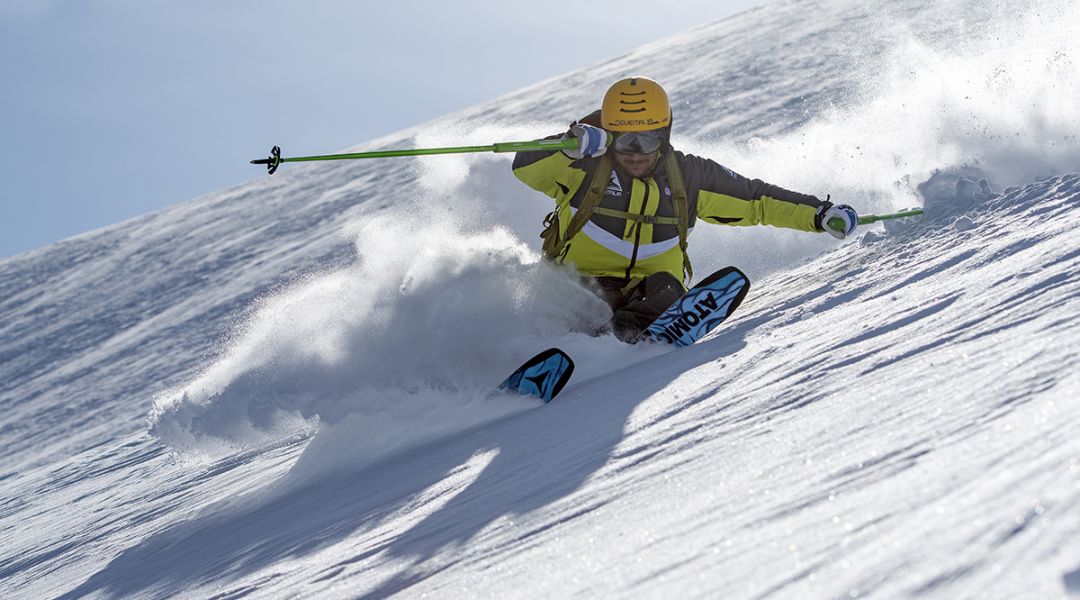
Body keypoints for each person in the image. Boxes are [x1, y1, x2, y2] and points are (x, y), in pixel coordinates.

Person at [512, 76, 858, 343]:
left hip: (650, 297)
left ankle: (627, 340)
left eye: (647, 140)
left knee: (665, 286)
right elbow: (525, 167)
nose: (635, 153)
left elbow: (757, 200)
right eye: (623, 139)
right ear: (607, 134)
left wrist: (818, 214)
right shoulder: (584, 166)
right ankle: (579, 346)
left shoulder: (689, 176)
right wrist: (569, 144)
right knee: (586, 303)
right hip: (580, 287)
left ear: (664, 135)